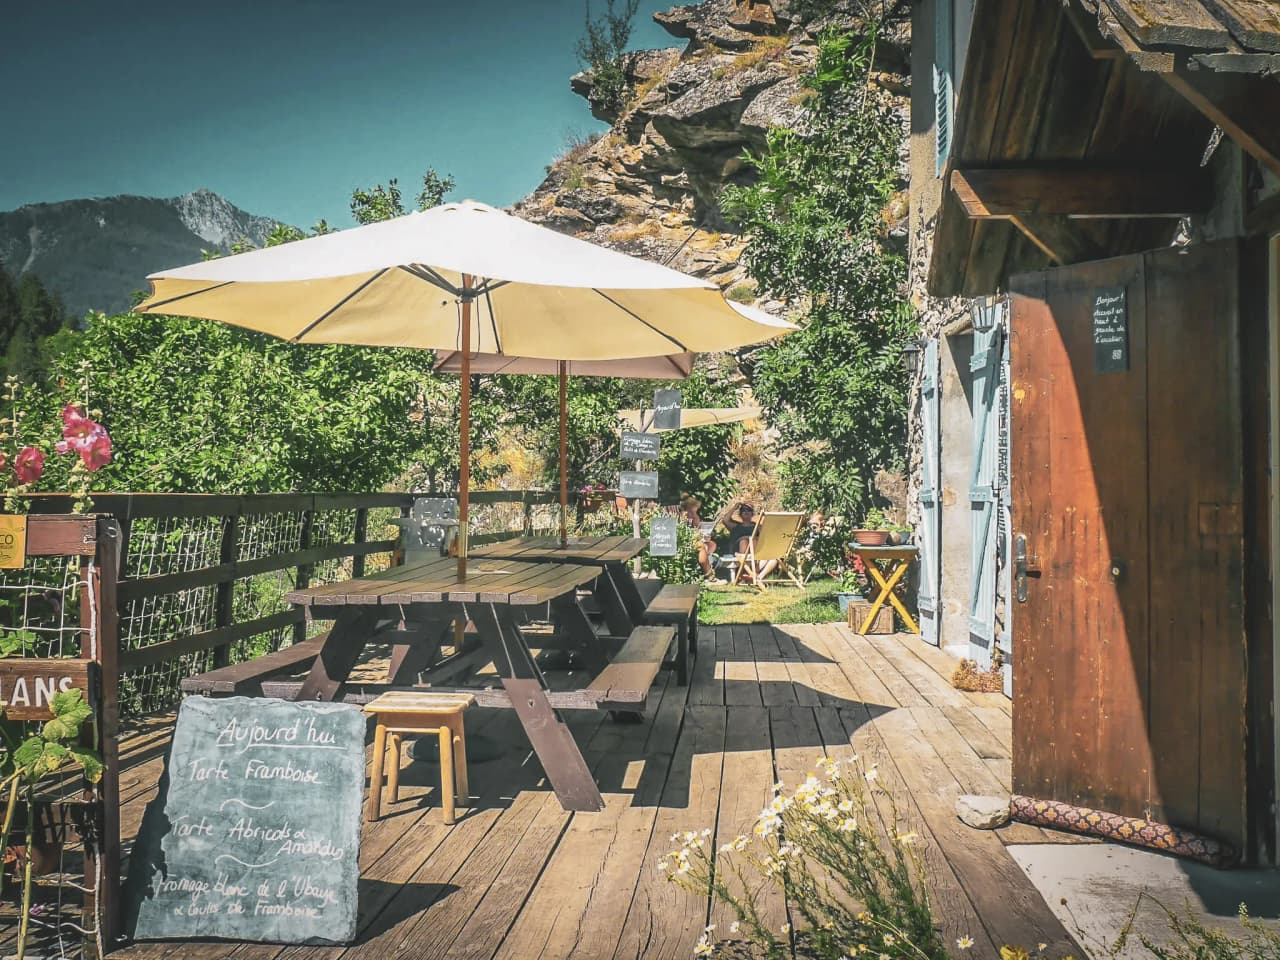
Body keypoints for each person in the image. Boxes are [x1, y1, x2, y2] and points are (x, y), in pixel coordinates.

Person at [680, 494, 724, 583]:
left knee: (711, 544)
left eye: (696, 512)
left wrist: (705, 536)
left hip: (695, 540)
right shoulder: (681, 517)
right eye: (692, 512)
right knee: (701, 547)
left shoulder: (694, 516)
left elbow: (698, 530)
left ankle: (704, 565)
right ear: (686, 510)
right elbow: (684, 534)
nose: (694, 514)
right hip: (685, 541)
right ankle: (709, 576)